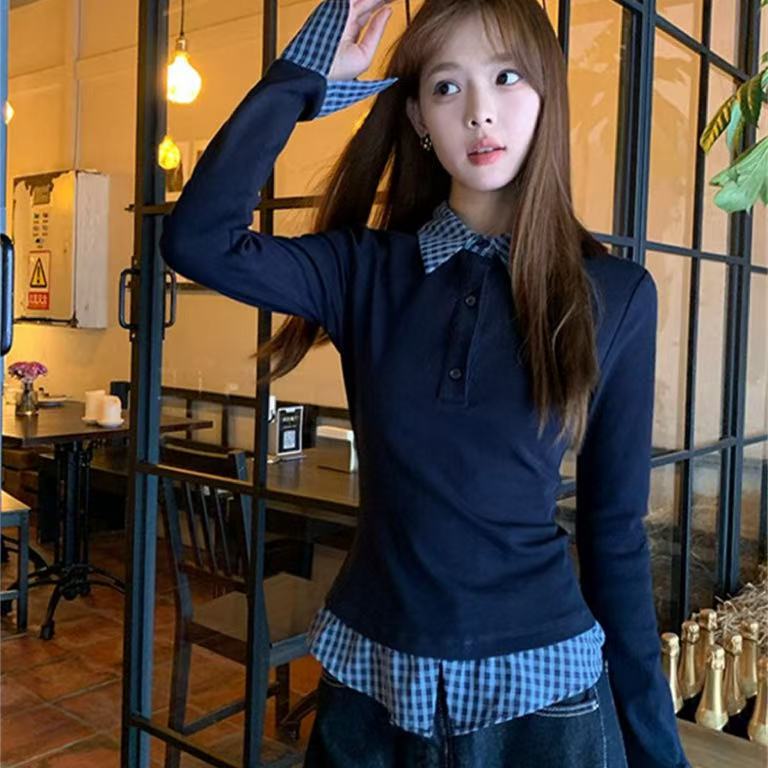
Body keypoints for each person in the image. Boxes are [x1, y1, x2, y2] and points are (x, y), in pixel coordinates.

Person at [160, 1, 692, 766]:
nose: (479, 113)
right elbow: (198, 239)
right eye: (447, 87)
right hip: (371, 686)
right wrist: (301, 77)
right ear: (417, 118)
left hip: (543, 700)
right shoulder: (364, 270)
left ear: (546, 92)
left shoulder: (614, 294)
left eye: (506, 77)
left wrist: (656, 750)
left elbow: (614, 536)